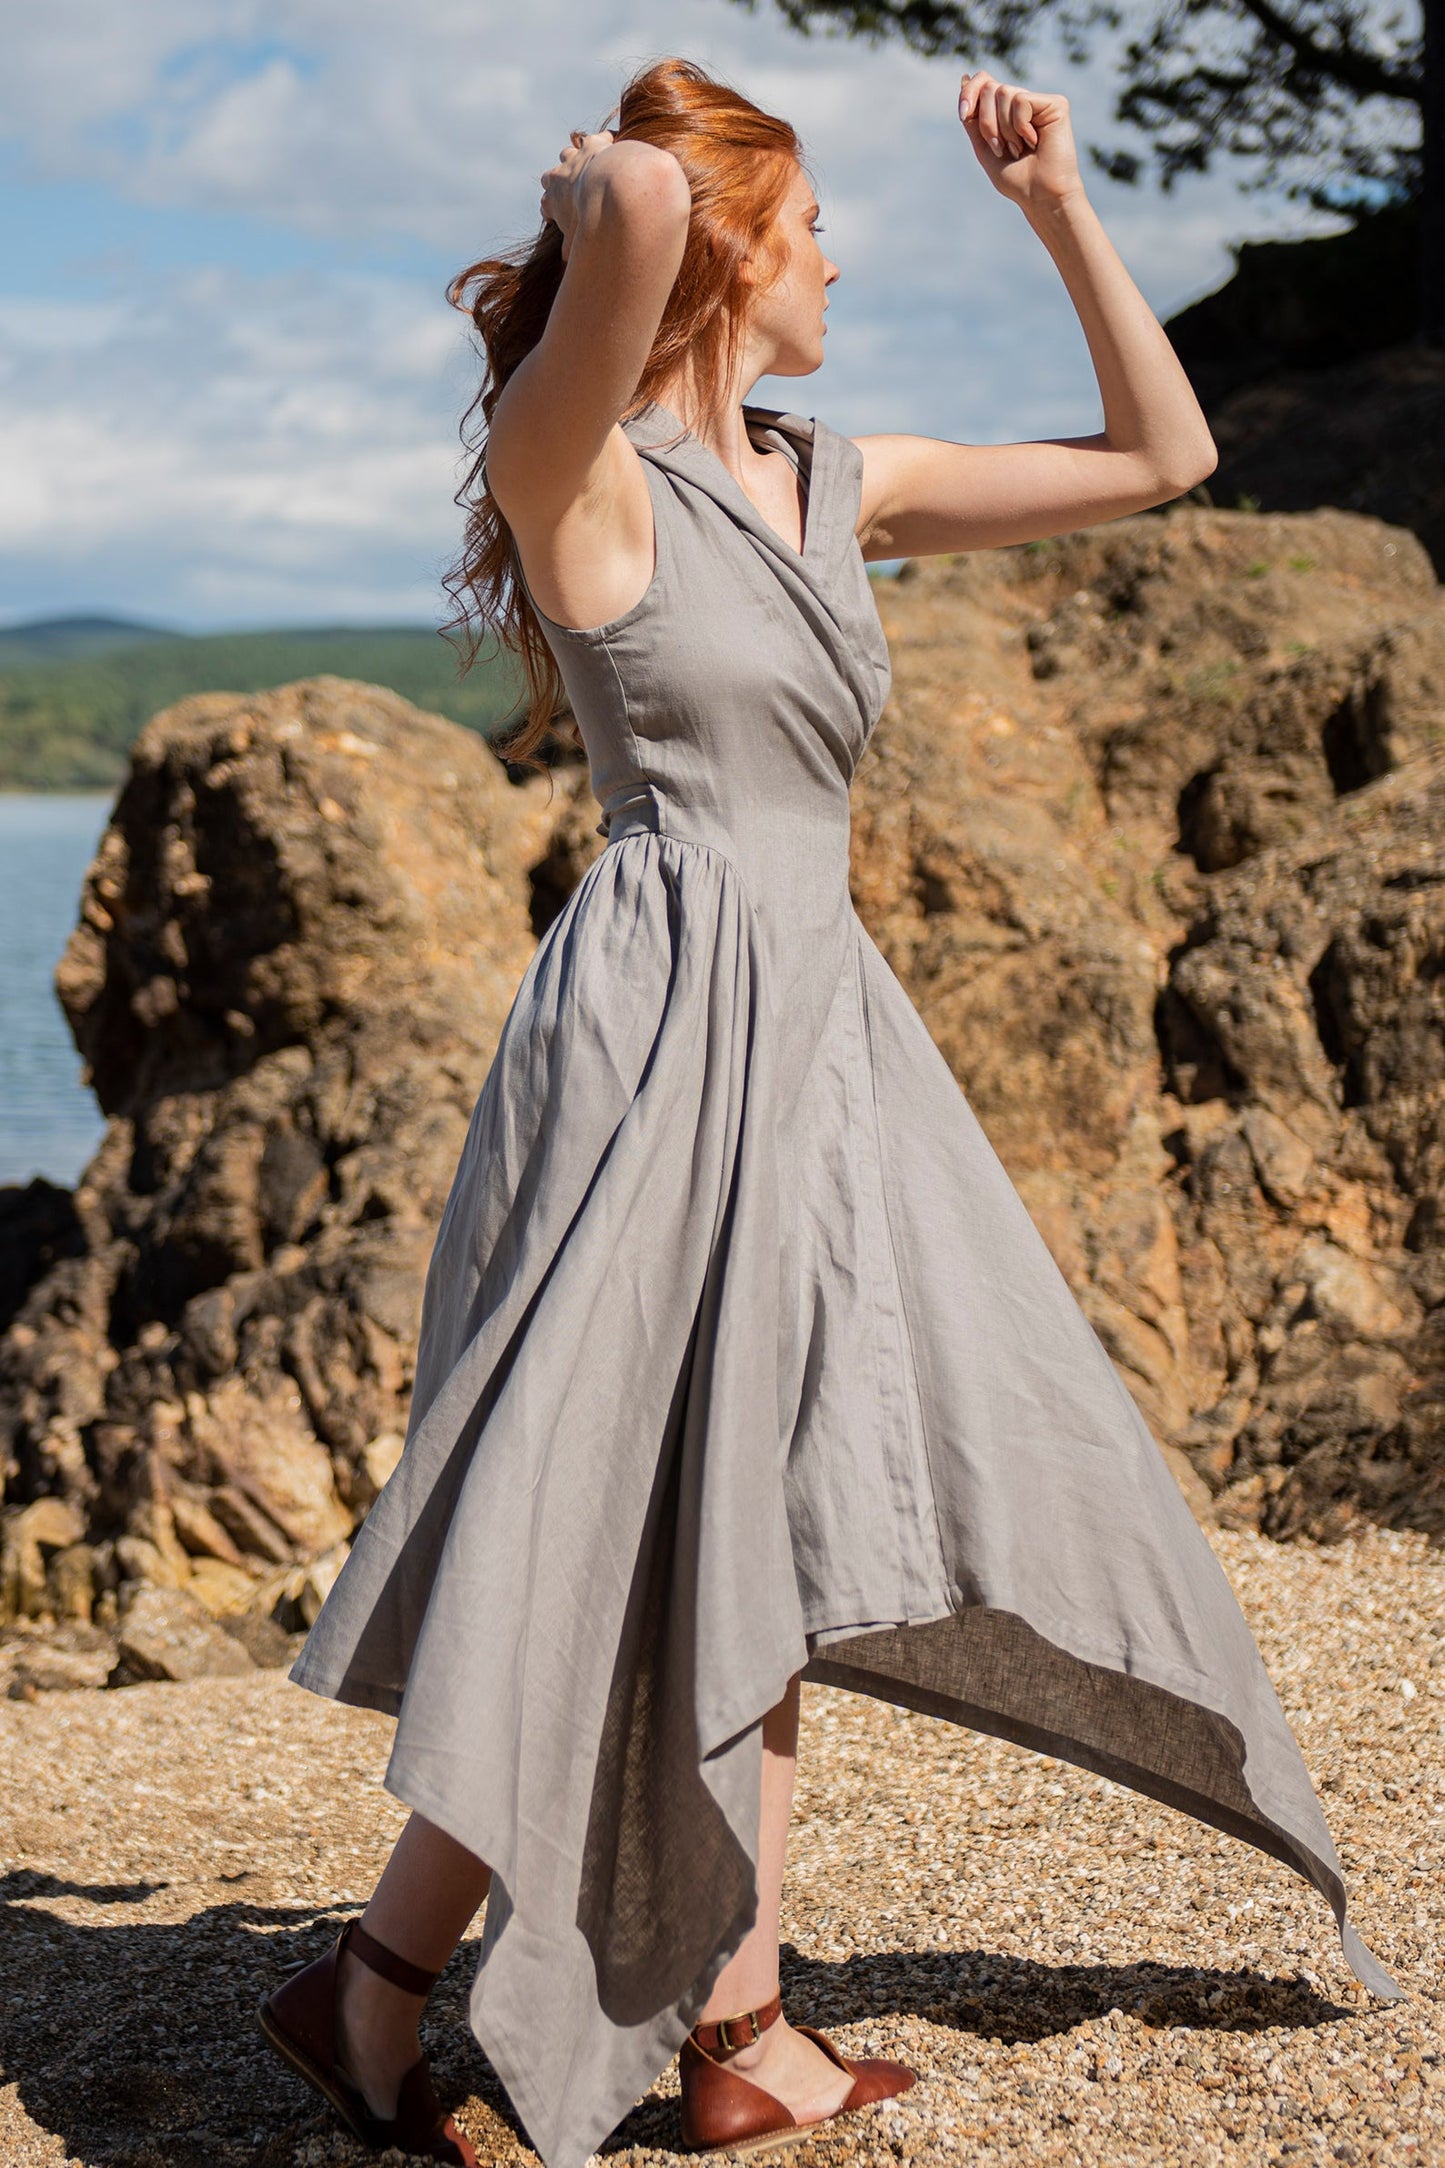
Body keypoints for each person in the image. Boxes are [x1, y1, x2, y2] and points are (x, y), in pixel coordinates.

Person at [257, 52, 1400, 2168]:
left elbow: (1169, 450)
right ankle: (431, 1991)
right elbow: (633, 242)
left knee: (761, 1510)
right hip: (655, 1037)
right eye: (809, 229)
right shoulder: (573, 465)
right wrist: (636, 184)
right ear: (726, 260)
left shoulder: (837, 475)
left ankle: (605, 2013)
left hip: (821, 1032)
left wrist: (1059, 208)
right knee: (615, 1513)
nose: (842, 258)